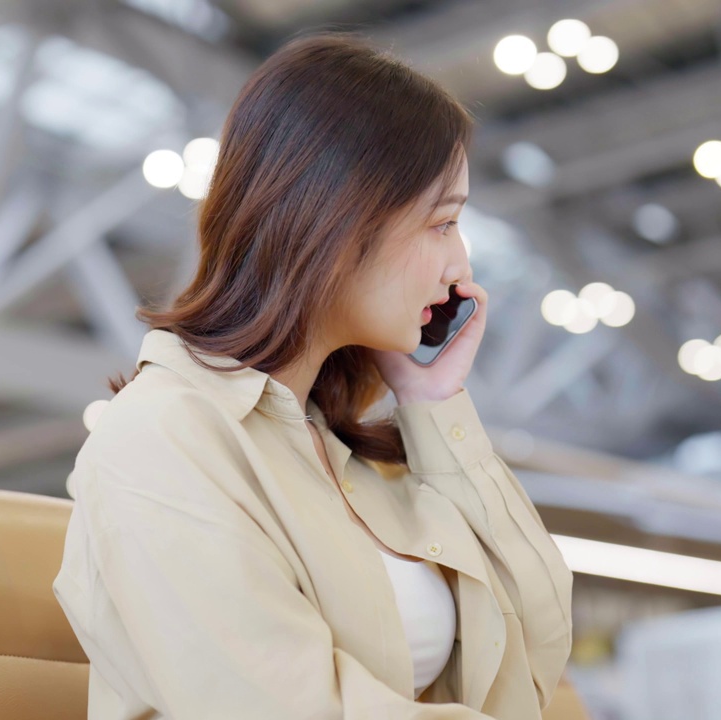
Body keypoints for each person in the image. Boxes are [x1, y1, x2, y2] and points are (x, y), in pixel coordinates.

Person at [53, 32, 574, 720]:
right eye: (443, 222)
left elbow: (530, 663)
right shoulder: (161, 437)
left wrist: (435, 404)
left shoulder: (342, 454)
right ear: (340, 215)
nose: (461, 268)